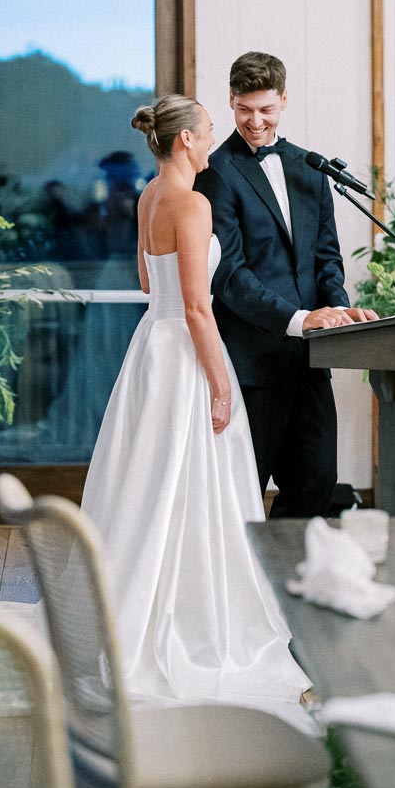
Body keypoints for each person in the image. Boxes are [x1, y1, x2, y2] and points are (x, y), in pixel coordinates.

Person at [81, 93, 308, 706]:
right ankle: (192, 620)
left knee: (150, 484)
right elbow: (197, 305)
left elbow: (145, 281)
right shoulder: (193, 203)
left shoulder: (147, 198)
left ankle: (139, 604)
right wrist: (218, 381)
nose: (212, 141)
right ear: (186, 141)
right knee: (195, 488)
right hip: (183, 353)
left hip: (149, 350)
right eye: (208, 131)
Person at [195, 51, 377, 518]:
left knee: (316, 482)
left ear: (284, 101)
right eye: (244, 109)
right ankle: (243, 588)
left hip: (311, 361)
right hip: (251, 362)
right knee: (242, 490)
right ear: (231, 102)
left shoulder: (309, 167)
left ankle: (286, 584)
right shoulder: (216, 172)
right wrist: (298, 320)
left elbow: (326, 258)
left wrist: (340, 313)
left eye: (265, 109)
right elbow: (229, 274)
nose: (255, 121)